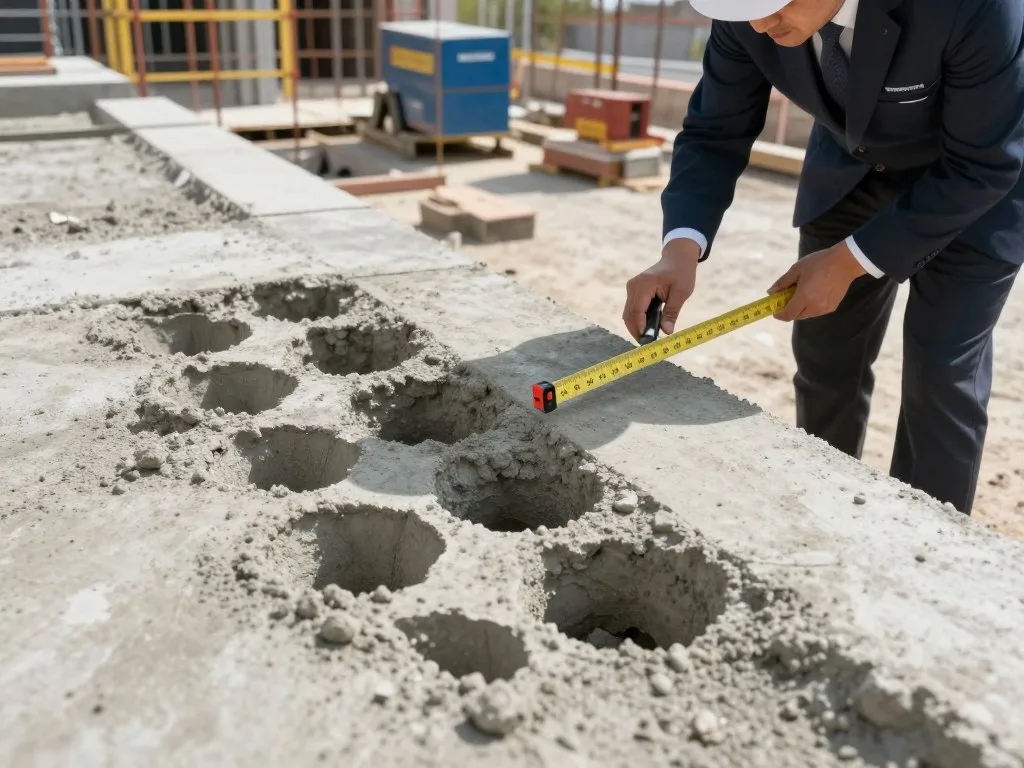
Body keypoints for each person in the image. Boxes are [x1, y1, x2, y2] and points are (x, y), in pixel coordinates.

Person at [621, 0, 1024, 515]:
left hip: (974, 190)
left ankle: (924, 550)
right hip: (852, 175)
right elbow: (713, 132)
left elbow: (984, 166)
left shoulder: (970, 7)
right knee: (825, 361)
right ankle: (829, 510)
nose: (759, 24)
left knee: (941, 374)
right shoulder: (746, 18)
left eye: (771, 5)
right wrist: (680, 248)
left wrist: (849, 260)